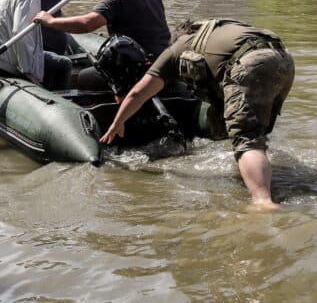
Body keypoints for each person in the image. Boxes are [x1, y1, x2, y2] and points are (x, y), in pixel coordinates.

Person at [99, 18, 294, 208]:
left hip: (250, 64)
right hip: (283, 58)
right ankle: (256, 176)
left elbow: (138, 92)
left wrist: (117, 123)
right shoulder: (218, 29)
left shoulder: (177, 48)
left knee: (246, 140)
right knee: (255, 132)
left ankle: (263, 202)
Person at [33, 0, 170, 91]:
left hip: (137, 66)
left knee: (83, 78)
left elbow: (87, 24)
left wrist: (50, 20)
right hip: (161, 60)